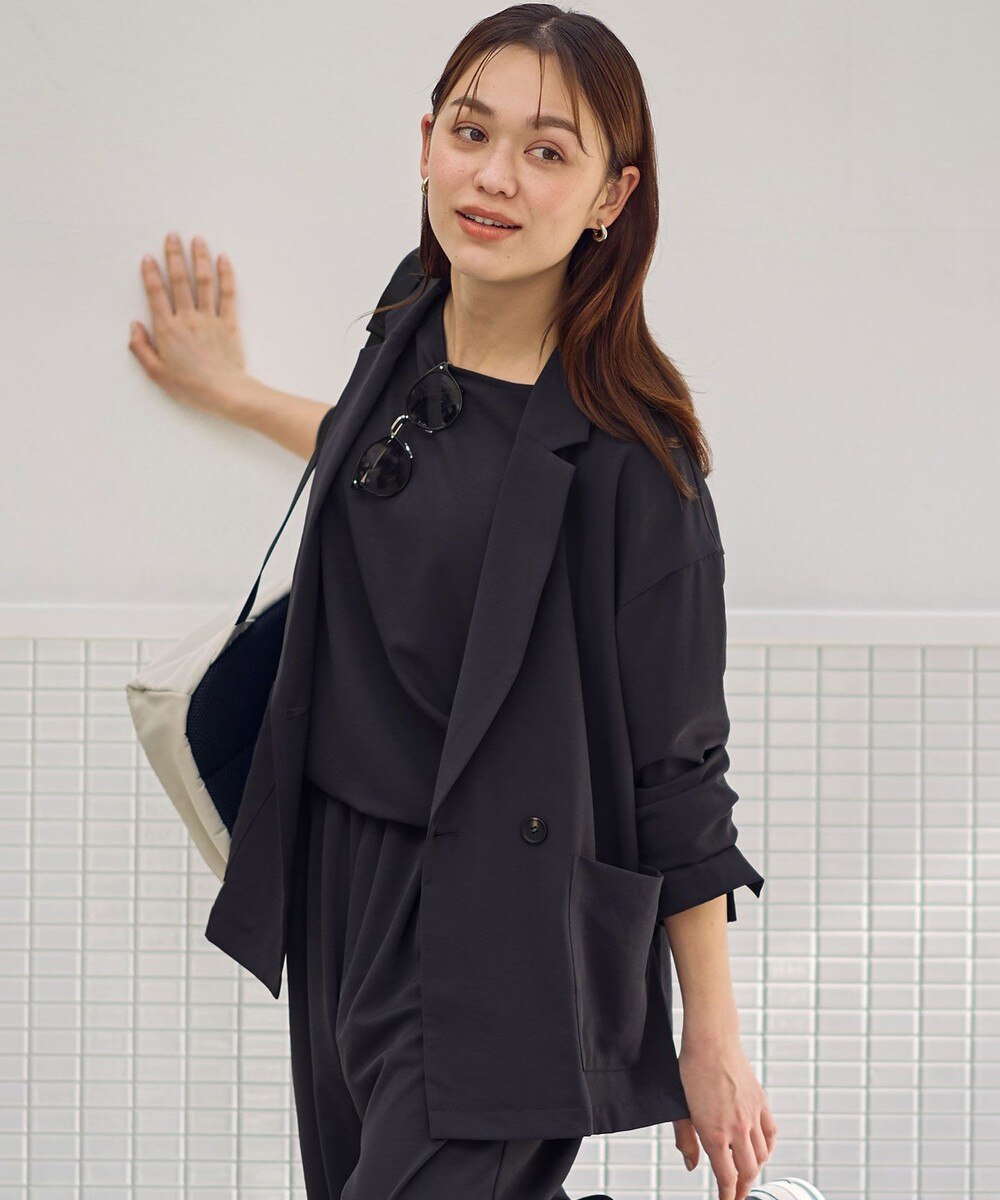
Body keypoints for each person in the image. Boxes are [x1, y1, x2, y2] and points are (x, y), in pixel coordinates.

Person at [128, 6, 778, 1198]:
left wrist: (714, 1036)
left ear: (611, 195)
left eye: (547, 150)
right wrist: (232, 392)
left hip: (503, 927)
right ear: (426, 140)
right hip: (341, 885)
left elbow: (680, 766)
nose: (494, 177)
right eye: (471, 132)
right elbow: (390, 467)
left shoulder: (635, 461)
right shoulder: (409, 320)